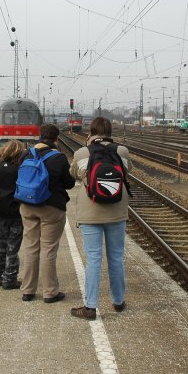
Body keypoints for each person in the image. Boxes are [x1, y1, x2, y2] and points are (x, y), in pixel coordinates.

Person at [68, 117, 132, 319]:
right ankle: (118, 301)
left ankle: (90, 307)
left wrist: (88, 147)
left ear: (91, 132)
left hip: (90, 212)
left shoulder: (82, 153)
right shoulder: (122, 151)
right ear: (110, 132)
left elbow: (75, 174)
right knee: (116, 257)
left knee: (93, 259)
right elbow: (127, 170)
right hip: (117, 211)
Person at [19, 123, 75, 303]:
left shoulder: (26, 154)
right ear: (56, 138)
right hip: (51, 208)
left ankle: (28, 290)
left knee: (31, 248)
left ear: (40, 135)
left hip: (27, 205)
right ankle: (50, 292)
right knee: (48, 249)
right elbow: (69, 184)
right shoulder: (58, 157)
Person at [0, 140, 25, 290]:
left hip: (2, 210)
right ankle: (10, 278)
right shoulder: (19, 168)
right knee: (13, 246)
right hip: (16, 211)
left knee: (1, 243)